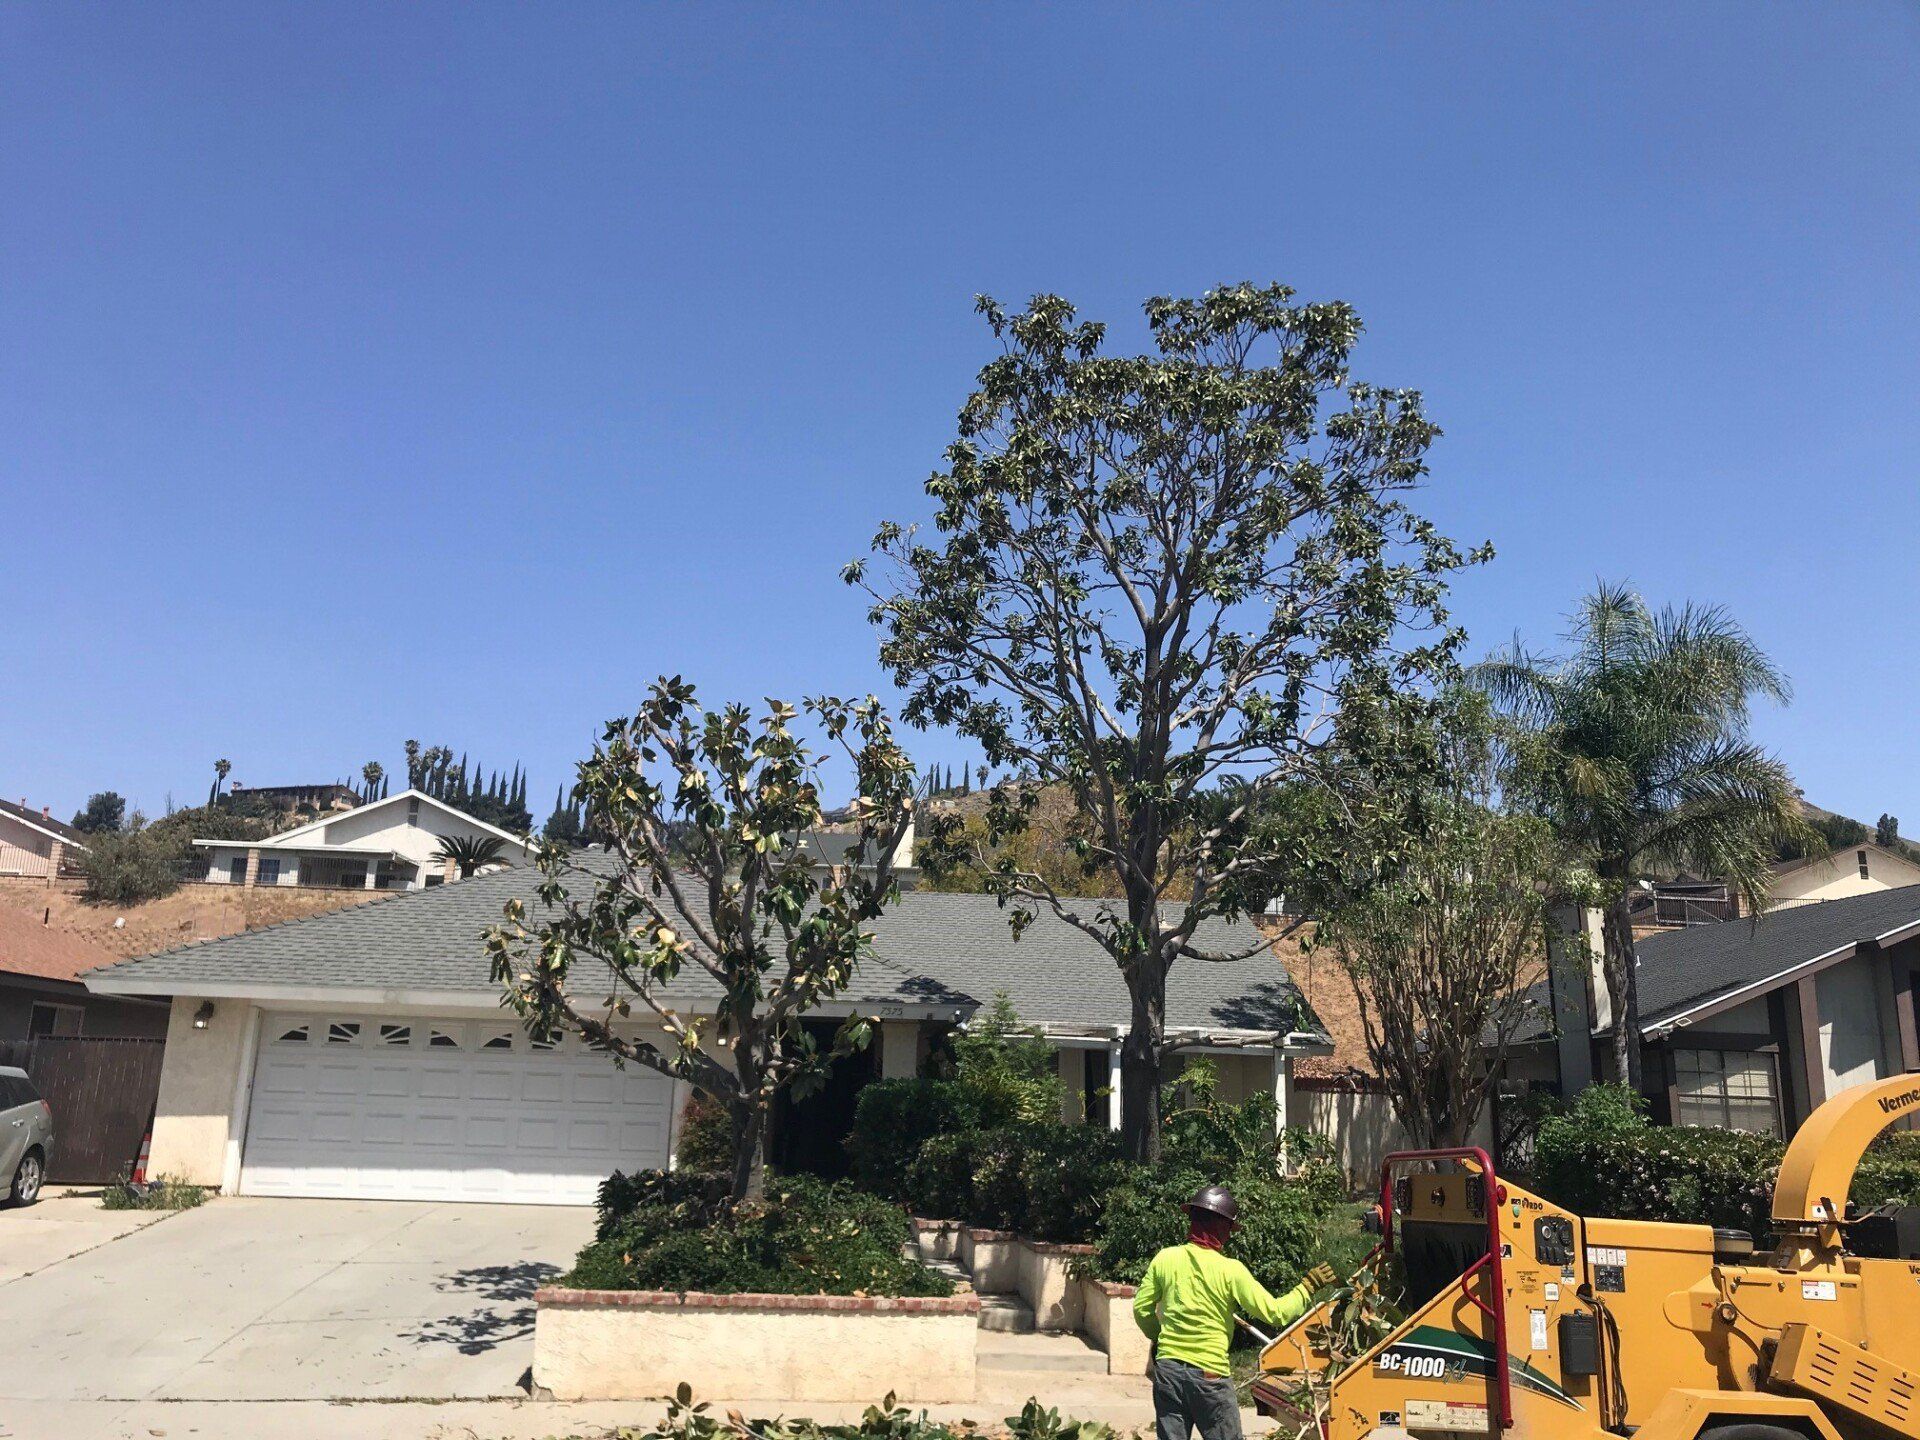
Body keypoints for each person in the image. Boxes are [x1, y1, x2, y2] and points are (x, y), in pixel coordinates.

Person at [1132, 1184, 1337, 1440]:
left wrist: (1161, 1339)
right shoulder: (1231, 1270)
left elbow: (1142, 1309)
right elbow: (1276, 1313)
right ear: (1222, 1228)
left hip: (1169, 1373)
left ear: (1193, 1220)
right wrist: (1307, 1287)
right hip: (1209, 1376)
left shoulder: (1166, 1258)